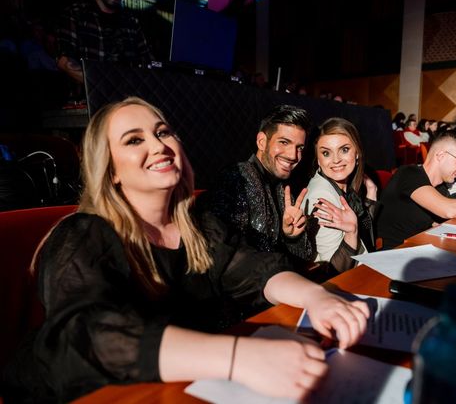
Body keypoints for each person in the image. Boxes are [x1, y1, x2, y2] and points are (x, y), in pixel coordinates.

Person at [3, 97, 370, 403]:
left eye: (163, 132)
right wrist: (238, 357)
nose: (158, 145)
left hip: (172, 386)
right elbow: (88, 336)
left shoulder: (199, 228)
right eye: (134, 140)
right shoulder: (81, 235)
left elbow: (256, 270)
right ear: (110, 169)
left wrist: (317, 297)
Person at [201, 105, 313, 263]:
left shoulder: (283, 189)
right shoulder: (238, 177)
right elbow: (224, 255)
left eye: (299, 147)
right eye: (284, 142)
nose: (293, 155)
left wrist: (291, 237)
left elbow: (304, 258)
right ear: (262, 141)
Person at [302, 118, 378, 273]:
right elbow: (333, 270)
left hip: (365, 270)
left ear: (357, 153)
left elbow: (365, 233)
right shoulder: (322, 197)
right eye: (326, 153)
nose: (336, 160)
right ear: (318, 159)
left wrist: (371, 192)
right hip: (349, 281)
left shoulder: (342, 186)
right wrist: (351, 232)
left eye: (344, 150)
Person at [56, 0, 153, 83]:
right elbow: (64, 61)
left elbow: (149, 63)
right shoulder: (76, 13)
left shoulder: (131, 21)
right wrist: (103, 85)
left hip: (129, 95)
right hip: (88, 97)